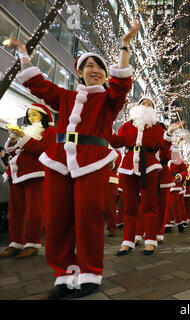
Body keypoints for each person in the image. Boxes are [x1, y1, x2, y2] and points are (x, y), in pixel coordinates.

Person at [6, 21, 140, 299]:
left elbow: (122, 82)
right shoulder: (64, 96)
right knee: (57, 218)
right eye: (88, 66)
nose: (95, 70)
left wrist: (125, 44)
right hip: (58, 161)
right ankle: (63, 275)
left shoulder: (110, 99)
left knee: (89, 217)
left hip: (93, 160)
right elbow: (37, 83)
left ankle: (90, 273)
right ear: (79, 72)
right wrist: (23, 54)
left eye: (99, 67)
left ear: (105, 75)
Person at [110, 97, 182, 256]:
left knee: (150, 205)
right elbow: (117, 142)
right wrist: (107, 125)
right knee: (129, 207)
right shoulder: (127, 125)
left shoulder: (157, 128)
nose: (146, 106)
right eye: (144, 103)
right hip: (128, 166)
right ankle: (127, 242)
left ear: (153, 110)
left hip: (149, 166)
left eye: (150, 105)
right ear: (138, 107)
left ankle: (150, 240)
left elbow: (164, 148)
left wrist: (169, 133)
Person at [0, 104, 56, 259]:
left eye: (35, 115)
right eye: (29, 115)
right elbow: (14, 151)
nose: (31, 118)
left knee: (35, 210)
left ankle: (32, 243)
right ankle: (16, 243)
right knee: (15, 211)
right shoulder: (26, 130)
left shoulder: (50, 131)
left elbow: (42, 149)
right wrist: (12, 141)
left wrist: (23, 138)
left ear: (43, 116)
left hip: (36, 174)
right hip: (17, 173)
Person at [0, 147, 10, 233]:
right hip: (2, 185)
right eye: (3, 151)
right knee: (3, 205)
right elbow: (4, 169)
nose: (4, 153)